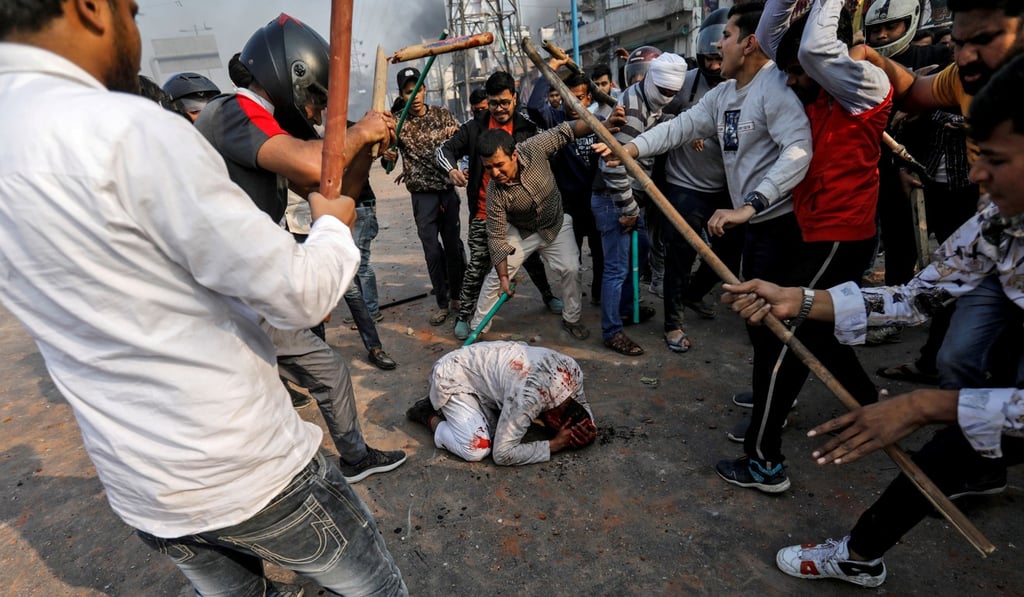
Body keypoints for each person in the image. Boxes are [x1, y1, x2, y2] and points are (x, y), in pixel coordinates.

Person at [0, 1, 406, 595]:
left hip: (144, 491)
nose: (135, 31)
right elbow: (305, 295)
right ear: (90, 8)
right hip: (241, 470)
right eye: (133, 12)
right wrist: (334, 225)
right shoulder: (134, 130)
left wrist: (344, 169)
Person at [723, 53, 1024, 587]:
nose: (975, 173)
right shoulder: (998, 223)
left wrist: (929, 405)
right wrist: (799, 299)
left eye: (994, 159)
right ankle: (861, 553)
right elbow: (916, 298)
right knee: (955, 438)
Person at [596, 1, 813, 487]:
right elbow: (679, 127)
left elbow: (799, 151)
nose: (719, 43)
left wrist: (750, 204)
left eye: (729, 35)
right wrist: (630, 147)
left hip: (779, 227)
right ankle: (771, 402)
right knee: (762, 331)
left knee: (773, 329)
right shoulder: (725, 94)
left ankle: (767, 455)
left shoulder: (775, 89)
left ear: (750, 41)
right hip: (758, 227)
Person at [195, 15, 406, 482]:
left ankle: (339, 459)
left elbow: (329, 190)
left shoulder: (260, 126)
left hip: (242, 282)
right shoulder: (235, 110)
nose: (314, 113)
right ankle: (343, 461)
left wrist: (366, 151)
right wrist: (360, 132)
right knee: (320, 373)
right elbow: (313, 165)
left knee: (308, 374)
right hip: (227, 292)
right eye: (314, 98)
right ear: (291, 73)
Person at [718, 0, 891, 483]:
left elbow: (812, 49)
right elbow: (776, 37)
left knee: (787, 332)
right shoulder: (817, 90)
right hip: (816, 233)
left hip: (842, 235)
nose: (790, 80)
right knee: (819, 332)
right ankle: (870, 406)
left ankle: (764, 458)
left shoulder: (863, 85)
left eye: (797, 73)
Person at [436, 71, 564, 341]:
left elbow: (551, 149)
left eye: (504, 102)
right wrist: (452, 172)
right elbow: (443, 150)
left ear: (514, 98)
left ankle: (548, 295)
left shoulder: (527, 127)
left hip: (522, 211)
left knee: (531, 260)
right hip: (485, 210)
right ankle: (465, 316)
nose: (499, 108)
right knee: (478, 266)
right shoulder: (473, 128)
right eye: (494, 103)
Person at [591, 52, 688, 356]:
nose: (667, 99)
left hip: (631, 196)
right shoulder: (632, 108)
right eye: (665, 93)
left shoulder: (649, 100)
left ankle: (625, 307)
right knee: (616, 268)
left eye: (673, 94)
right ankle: (611, 331)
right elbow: (613, 166)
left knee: (641, 248)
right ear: (650, 80)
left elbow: (659, 122)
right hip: (614, 199)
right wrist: (629, 210)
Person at [470, 117, 600, 340]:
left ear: (514, 155)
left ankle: (572, 319)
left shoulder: (534, 148)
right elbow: (496, 237)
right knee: (494, 279)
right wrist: (504, 278)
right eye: (489, 168)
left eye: (499, 165)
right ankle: (478, 328)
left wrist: (600, 124)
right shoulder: (494, 191)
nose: (495, 173)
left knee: (571, 269)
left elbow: (566, 129)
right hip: (521, 231)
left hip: (555, 224)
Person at [657, 6, 738, 348]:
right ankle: (672, 324)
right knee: (680, 253)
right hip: (685, 184)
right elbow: (658, 118)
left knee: (732, 251)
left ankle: (693, 294)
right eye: (707, 60)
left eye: (718, 59)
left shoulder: (743, 87)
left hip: (725, 186)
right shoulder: (685, 85)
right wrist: (681, 129)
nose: (714, 67)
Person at [406, 341, 597, 465]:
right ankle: (428, 414)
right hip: (453, 377)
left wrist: (590, 427)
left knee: (499, 424)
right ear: (555, 418)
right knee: (476, 449)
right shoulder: (529, 398)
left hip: (484, 370)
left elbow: (581, 402)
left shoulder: (572, 371)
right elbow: (502, 454)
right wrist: (554, 444)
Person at [386, 66, 466, 326]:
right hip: (423, 198)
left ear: (425, 89)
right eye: (409, 92)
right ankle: (442, 303)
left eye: (418, 89)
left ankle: (458, 297)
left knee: (454, 247)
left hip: (446, 192)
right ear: (402, 94)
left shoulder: (443, 116)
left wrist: (454, 134)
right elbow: (389, 160)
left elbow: (460, 142)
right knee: (432, 251)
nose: (415, 96)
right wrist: (388, 156)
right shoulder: (398, 123)